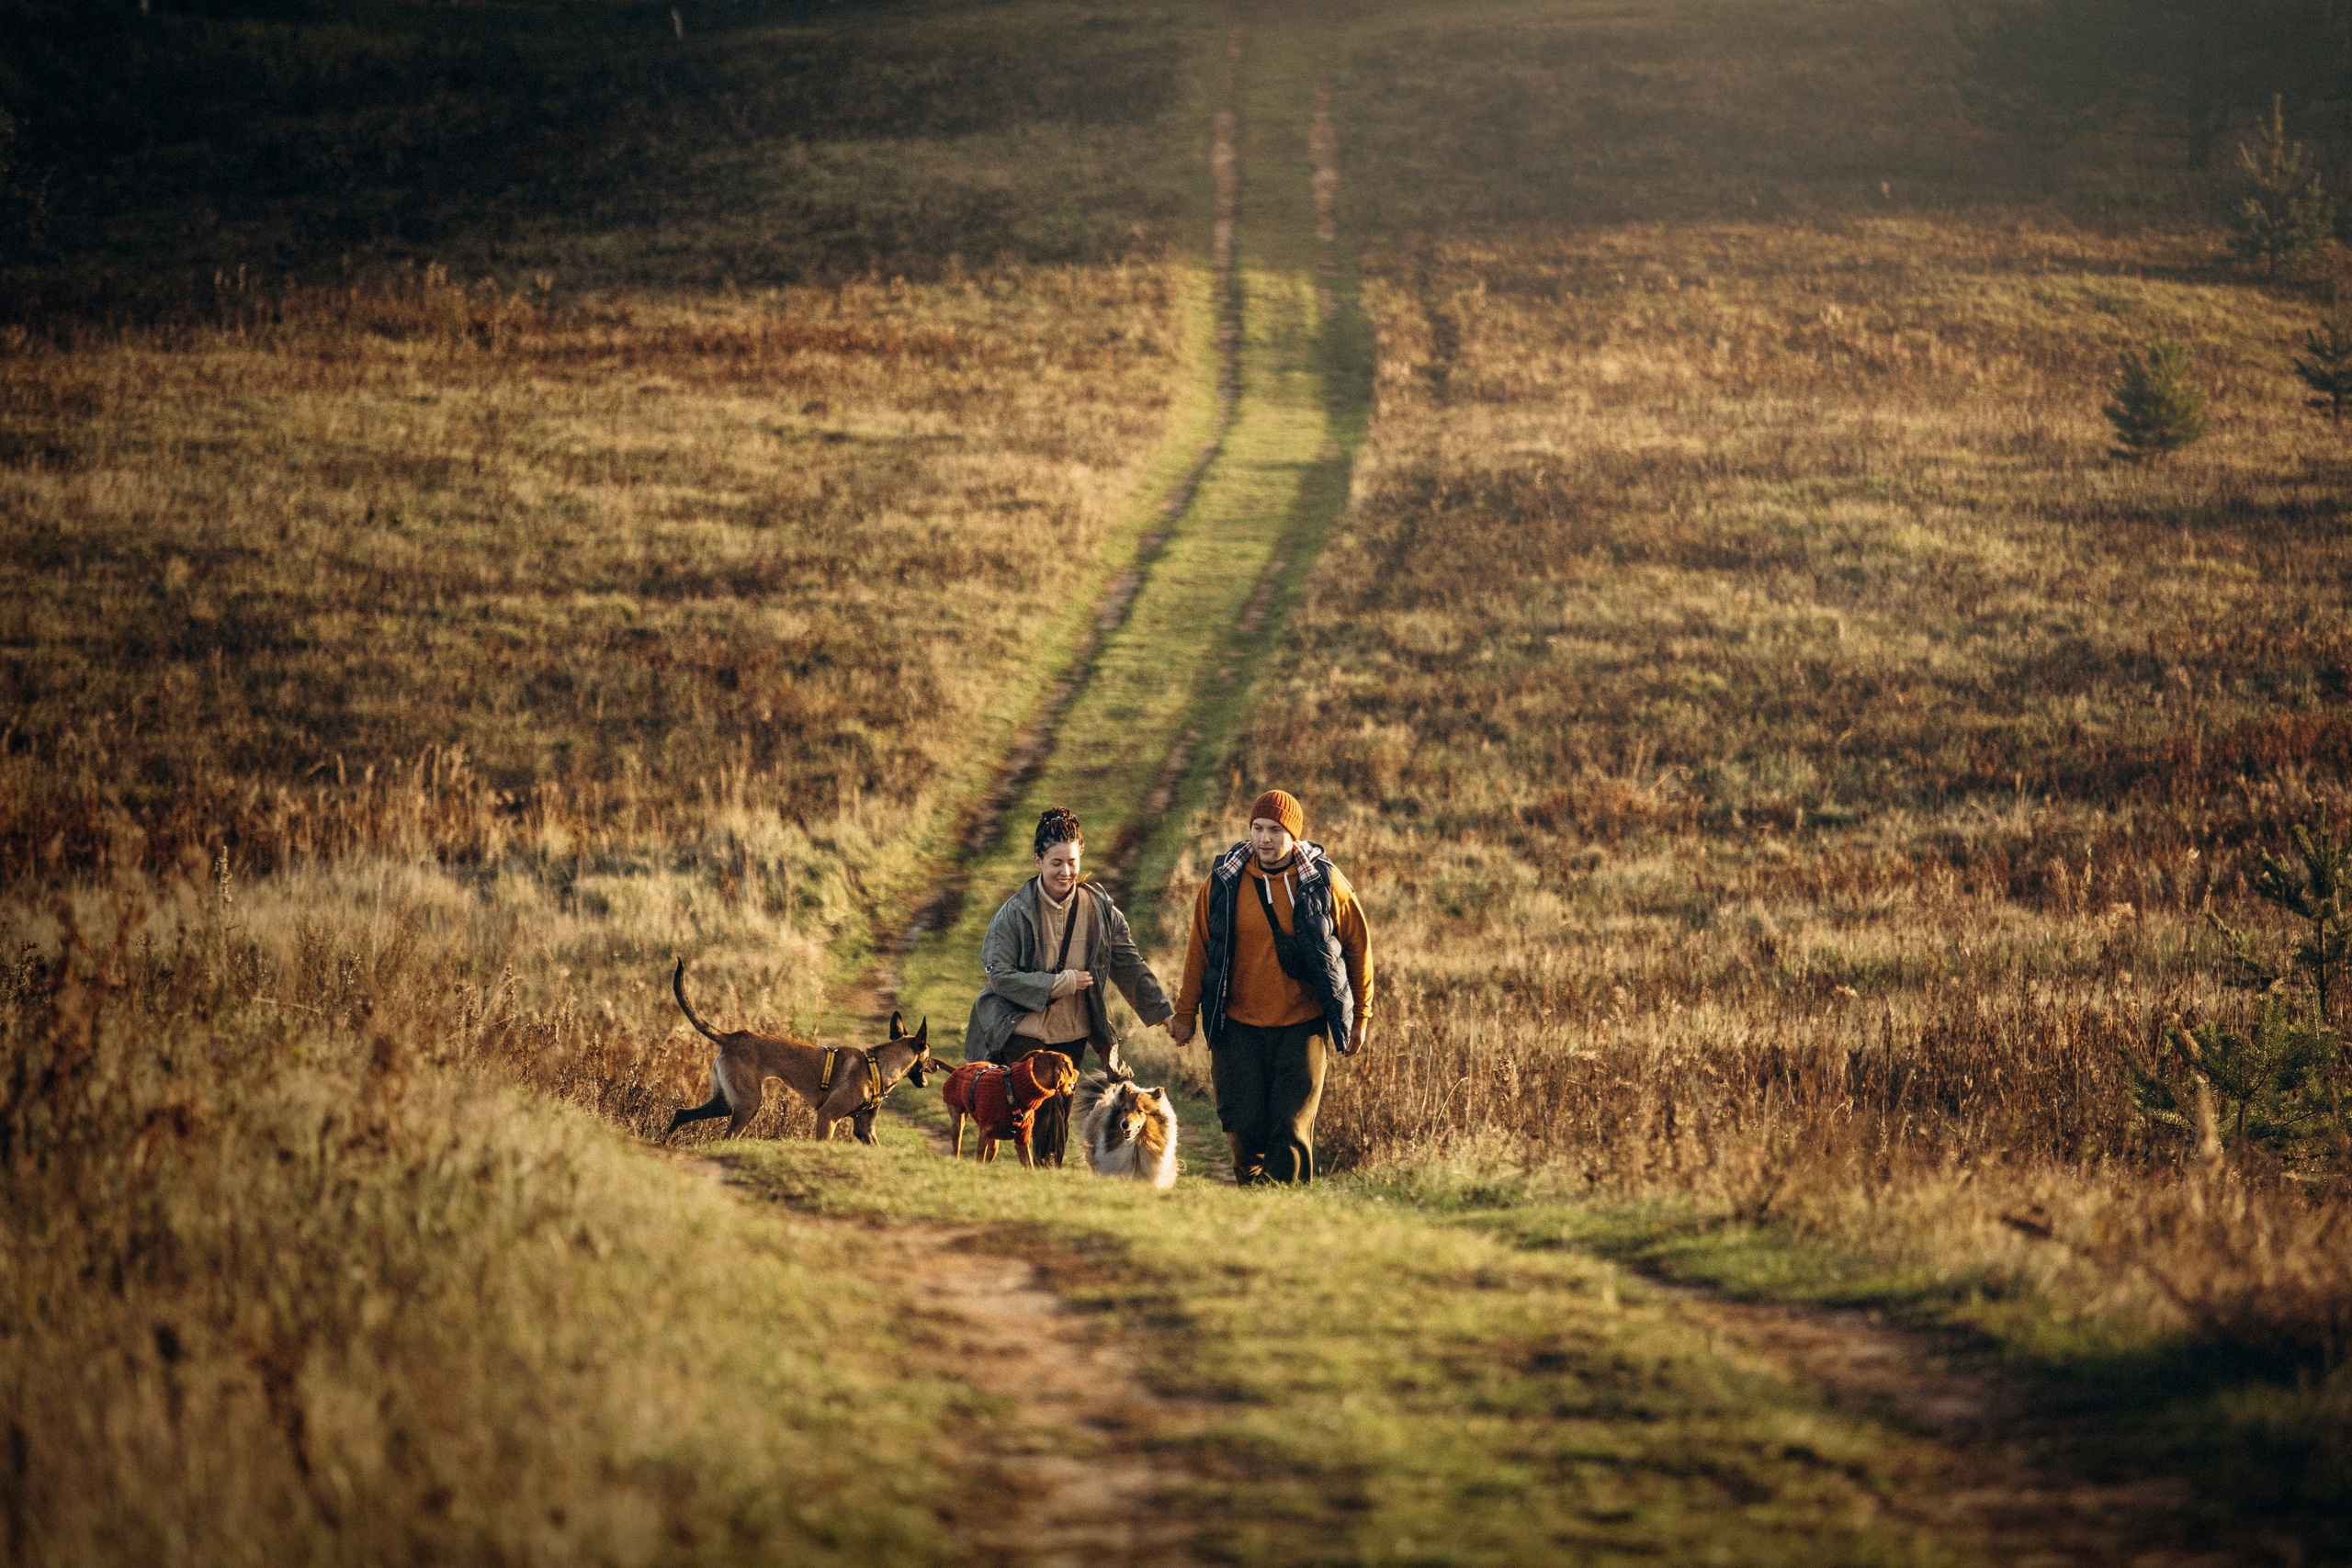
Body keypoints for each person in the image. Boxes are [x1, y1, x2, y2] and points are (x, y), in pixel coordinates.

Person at [1169, 789, 1373, 1184]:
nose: (1264, 838)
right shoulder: (1223, 883)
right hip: (1237, 1026)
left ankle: (1285, 1213)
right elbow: (1199, 952)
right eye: (1257, 828)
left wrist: (1360, 1016)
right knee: (1241, 1124)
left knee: (1292, 1130)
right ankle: (1251, 1197)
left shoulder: (1323, 883)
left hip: (1302, 1027)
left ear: (1293, 835)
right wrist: (1184, 1015)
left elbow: (1358, 946)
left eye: (1275, 830)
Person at [967, 807, 1174, 1167]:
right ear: (1038, 861)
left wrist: (1163, 1013)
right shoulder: (1014, 913)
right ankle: (1041, 1175)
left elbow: (1127, 961)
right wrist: (1061, 982)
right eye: (1055, 863)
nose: (1065, 872)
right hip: (1021, 1026)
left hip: (1072, 1029)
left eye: (1072, 862)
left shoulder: (1099, 908)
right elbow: (999, 975)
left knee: (1059, 1110)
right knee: (1042, 1104)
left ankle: (1046, 1182)